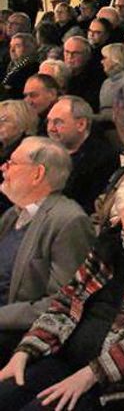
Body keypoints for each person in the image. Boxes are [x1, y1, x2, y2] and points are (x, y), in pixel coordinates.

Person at [0, 172, 124, 410]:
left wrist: (92, 373)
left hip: (121, 376)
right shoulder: (111, 240)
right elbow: (68, 299)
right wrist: (27, 349)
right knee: (6, 393)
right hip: (67, 354)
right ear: (119, 216)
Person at [0, 138, 93, 362]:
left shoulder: (68, 221)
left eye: (12, 163)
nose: (3, 167)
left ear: (37, 174)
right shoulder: (12, 215)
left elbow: (62, 302)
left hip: (21, 334)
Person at [45, 96, 118, 214]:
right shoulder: (45, 151)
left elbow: (88, 207)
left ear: (81, 124)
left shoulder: (102, 158)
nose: (50, 128)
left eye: (58, 122)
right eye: (49, 121)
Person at [96, 44, 124, 124]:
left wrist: (104, 117)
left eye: (105, 58)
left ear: (116, 59)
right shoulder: (106, 82)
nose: (101, 62)